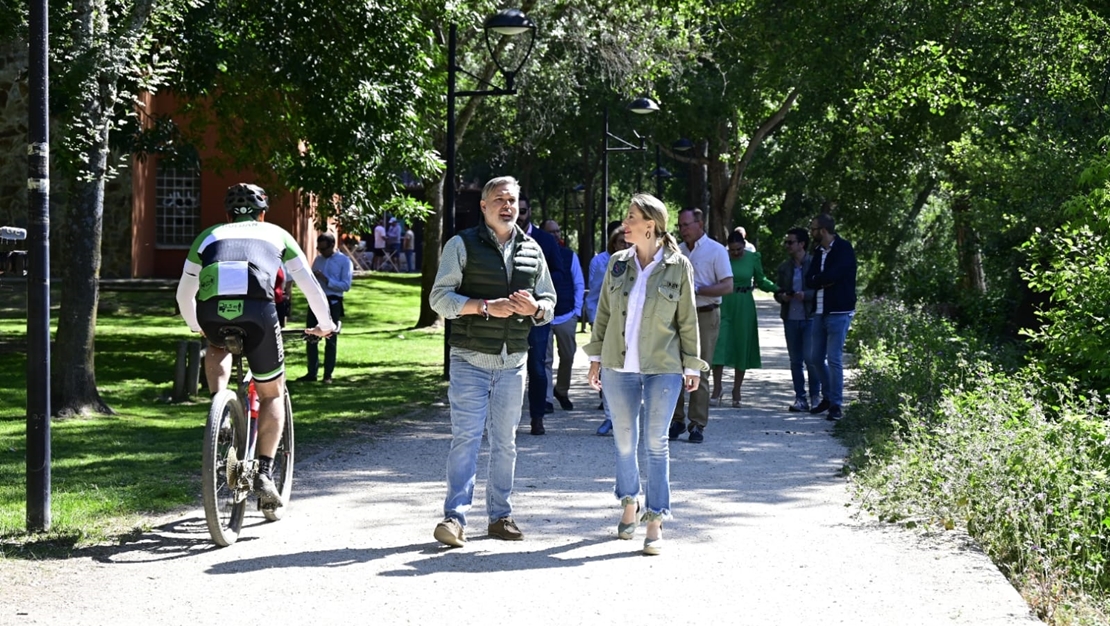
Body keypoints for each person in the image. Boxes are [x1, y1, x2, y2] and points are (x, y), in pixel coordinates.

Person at [175, 183, 334, 509]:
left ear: (227, 214)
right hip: (258, 312)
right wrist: (325, 325)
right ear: (263, 213)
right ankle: (263, 471)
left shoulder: (208, 236)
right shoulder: (278, 234)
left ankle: (220, 411)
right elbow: (310, 286)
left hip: (211, 311)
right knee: (272, 392)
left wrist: (197, 327)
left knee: (216, 345)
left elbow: (183, 294)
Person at [429, 176, 555, 547]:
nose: (507, 206)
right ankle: (454, 519)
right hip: (470, 358)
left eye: (513, 200)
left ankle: (501, 516)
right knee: (466, 440)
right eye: (499, 199)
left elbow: (549, 301)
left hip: (513, 361)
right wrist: (484, 307)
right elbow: (439, 299)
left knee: (506, 443)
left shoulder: (533, 249)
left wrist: (535, 309)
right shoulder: (461, 244)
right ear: (483, 206)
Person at [585, 193, 706, 556]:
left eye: (631, 217)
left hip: (663, 368)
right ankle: (629, 503)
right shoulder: (617, 263)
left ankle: (655, 519)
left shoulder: (678, 265)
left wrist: (692, 364)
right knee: (624, 441)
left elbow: (687, 318)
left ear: (650, 225)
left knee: (656, 443)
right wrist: (594, 359)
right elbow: (603, 313)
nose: (625, 223)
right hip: (617, 366)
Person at [669, 207, 732, 444]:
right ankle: (676, 420)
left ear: (700, 224)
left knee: (700, 369)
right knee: (674, 368)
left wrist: (698, 290)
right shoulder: (678, 252)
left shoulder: (716, 250)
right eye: (681, 226)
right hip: (678, 316)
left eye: (686, 225)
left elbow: (727, 286)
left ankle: (697, 424)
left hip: (706, 314)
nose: (683, 230)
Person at [711, 230, 778, 407]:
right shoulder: (721, 257)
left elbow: (761, 280)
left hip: (744, 305)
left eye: (739, 249)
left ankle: (737, 389)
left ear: (744, 245)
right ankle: (717, 388)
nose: (735, 253)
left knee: (742, 344)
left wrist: (778, 289)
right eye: (732, 250)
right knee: (719, 344)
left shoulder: (752, 258)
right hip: (724, 303)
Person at [516, 196, 562, 434]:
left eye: (523, 210)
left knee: (536, 366)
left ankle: (537, 417)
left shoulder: (545, 240)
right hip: (507, 312)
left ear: (530, 211)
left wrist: (538, 294)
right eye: (516, 210)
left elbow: (557, 271)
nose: (520, 215)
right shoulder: (499, 238)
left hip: (536, 314)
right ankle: (503, 421)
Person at [806, 212, 857, 421]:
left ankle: (836, 404)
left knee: (834, 358)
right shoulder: (818, 252)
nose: (811, 232)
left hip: (839, 311)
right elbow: (811, 279)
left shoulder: (844, 249)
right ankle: (826, 398)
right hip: (819, 310)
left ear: (823, 230)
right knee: (815, 358)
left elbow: (835, 275)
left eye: (813, 229)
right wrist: (822, 280)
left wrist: (823, 280)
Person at [588, 224, 630, 435]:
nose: (625, 244)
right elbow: (594, 295)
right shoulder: (602, 262)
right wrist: (595, 322)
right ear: (613, 243)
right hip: (607, 325)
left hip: (631, 325)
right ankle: (608, 417)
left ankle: (629, 418)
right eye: (621, 241)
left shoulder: (638, 262)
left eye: (628, 241)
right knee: (607, 371)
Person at [774, 227, 821, 412]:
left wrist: (805, 295)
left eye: (790, 242)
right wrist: (782, 297)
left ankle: (815, 397)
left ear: (802, 244)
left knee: (811, 359)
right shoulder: (784, 268)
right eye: (786, 242)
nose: (787, 245)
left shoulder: (814, 263)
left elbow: (820, 291)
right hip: (790, 318)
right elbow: (777, 292)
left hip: (809, 317)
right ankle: (800, 398)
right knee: (795, 361)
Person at [297, 232, 353, 384]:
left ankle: (328, 374)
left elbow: (346, 285)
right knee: (310, 336)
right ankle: (311, 373)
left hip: (333, 302)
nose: (320, 252)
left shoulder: (344, 261)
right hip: (315, 301)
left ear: (332, 246)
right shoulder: (318, 260)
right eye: (318, 248)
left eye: (323, 249)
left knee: (330, 338)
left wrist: (327, 280)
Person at [541, 219, 584, 412]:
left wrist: (576, 311)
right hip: (544, 315)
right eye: (551, 232)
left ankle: (562, 390)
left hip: (566, 314)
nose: (555, 235)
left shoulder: (570, 256)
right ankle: (547, 398)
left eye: (557, 231)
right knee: (545, 359)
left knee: (567, 356)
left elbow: (579, 283)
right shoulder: (538, 255)